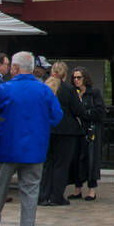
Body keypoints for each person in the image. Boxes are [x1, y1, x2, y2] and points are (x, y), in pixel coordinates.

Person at [0, 52, 63, 226]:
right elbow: (57, 115)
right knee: (30, 192)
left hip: (7, 147)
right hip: (34, 149)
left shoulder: (4, 89)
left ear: (15, 68)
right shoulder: (44, 91)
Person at [40, 61, 83, 207]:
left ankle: (43, 195)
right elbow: (78, 110)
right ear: (65, 74)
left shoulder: (44, 88)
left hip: (47, 129)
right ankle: (57, 196)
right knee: (61, 164)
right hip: (66, 131)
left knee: (48, 164)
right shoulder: (69, 90)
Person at [72, 67, 105, 200]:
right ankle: (77, 188)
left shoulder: (93, 93)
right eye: (74, 78)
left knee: (91, 159)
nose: (76, 80)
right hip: (77, 131)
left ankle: (92, 189)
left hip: (90, 129)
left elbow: (100, 111)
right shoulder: (73, 93)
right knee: (76, 159)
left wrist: (85, 113)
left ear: (85, 78)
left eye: (79, 77)